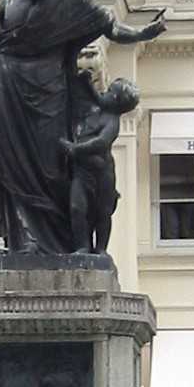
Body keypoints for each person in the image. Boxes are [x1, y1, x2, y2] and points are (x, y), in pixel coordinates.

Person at [0, 0, 165, 255]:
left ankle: (63, 243)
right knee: (13, 169)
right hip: (6, 88)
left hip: (49, 90)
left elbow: (110, 28)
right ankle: (24, 241)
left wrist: (144, 34)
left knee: (52, 165)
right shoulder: (9, 4)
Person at [60, 74, 139, 254]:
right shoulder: (100, 107)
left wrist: (75, 149)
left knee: (102, 213)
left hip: (101, 174)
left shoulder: (112, 120)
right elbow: (97, 96)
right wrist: (87, 83)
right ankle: (82, 246)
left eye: (110, 91)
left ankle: (101, 248)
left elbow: (101, 143)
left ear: (117, 101)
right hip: (81, 171)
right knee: (77, 207)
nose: (105, 92)